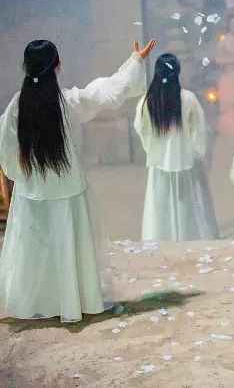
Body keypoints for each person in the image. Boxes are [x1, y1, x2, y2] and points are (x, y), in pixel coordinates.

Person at [0, 38, 156, 322]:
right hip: (67, 189)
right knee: (70, 247)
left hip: (32, 191)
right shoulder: (68, 102)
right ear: (57, 66)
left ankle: (39, 301)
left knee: (35, 248)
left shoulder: (17, 105)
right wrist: (135, 60)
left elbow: (6, 148)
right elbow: (106, 92)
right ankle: (71, 300)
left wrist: (21, 176)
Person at [134, 54, 219, 242]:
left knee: (160, 205)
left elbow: (141, 129)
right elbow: (200, 131)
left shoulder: (147, 101)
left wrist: (154, 149)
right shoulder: (188, 99)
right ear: (178, 72)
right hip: (185, 162)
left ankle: (161, 239)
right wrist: (197, 153)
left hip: (158, 164)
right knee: (188, 205)